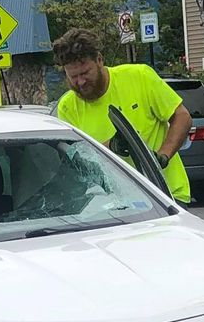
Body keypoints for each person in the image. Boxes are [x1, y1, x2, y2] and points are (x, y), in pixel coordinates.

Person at [52, 26, 192, 202]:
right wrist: (110, 147)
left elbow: (182, 117)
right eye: (73, 76)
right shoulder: (67, 107)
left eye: (85, 73)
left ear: (99, 60)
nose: (80, 82)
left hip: (165, 195)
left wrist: (162, 156)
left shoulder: (139, 77)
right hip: (112, 204)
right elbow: (75, 159)